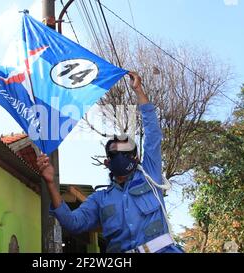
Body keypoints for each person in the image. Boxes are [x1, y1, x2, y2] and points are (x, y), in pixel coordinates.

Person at [37, 72, 184, 253]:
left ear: (136, 158)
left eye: (126, 152)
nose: (121, 156)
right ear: (107, 162)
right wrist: (51, 183)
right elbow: (73, 223)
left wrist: (139, 91)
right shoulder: (99, 199)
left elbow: (153, 134)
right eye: (116, 153)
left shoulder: (150, 175)